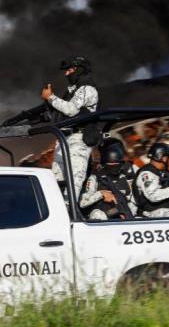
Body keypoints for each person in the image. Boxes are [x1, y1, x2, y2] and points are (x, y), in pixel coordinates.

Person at [42, 55, 99, 202]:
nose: (66, 73)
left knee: (72, 189)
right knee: (55, 185)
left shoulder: (87, 89)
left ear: (80, 70)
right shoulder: (72, 91)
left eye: (70, 70)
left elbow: (71, 110)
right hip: (64, 140)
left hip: (78, 141)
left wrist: (51, 97)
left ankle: (70, 217)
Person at [80, 142, 138, 220]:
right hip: (102, 214)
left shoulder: (127, 177)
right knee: (98, 215)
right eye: (110, 164)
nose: (113, 166)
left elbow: (135, 198)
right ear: (104, 164)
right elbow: (83, 203)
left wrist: (126, 210)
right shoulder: (95, 178)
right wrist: (101, 194)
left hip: (122, 213)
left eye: (116, 164)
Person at [133, 142, 169, 218]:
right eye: (168, 158)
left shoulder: (162, 172)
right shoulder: (147, 174)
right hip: (153, 214)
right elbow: (153, 195)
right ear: (163, 158)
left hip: (165, 210)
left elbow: (168, 185)